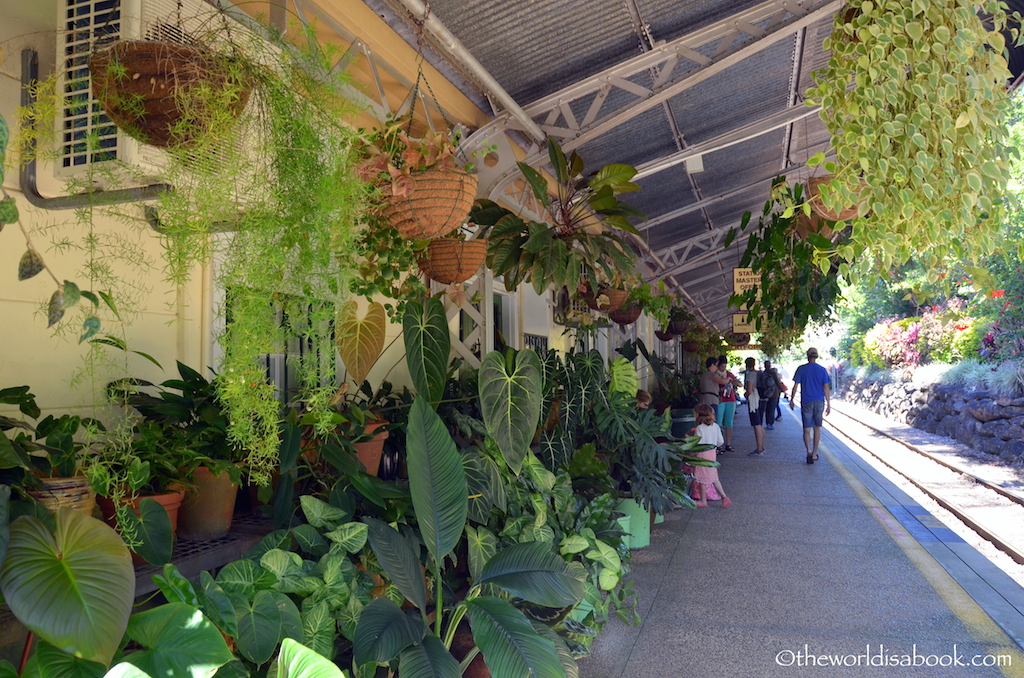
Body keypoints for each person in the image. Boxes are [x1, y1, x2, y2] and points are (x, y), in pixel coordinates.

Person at [790, 347, 832, 464]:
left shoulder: (801, 369)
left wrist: (792, 399)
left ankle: (808, 450)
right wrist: (829, 404)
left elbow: (795, 386)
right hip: (819, 401)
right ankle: (814, 454)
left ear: (807, 356)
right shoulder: (822, 370)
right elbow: (826, 388)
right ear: (816, 357)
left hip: (806, 401)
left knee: (806, 428)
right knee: (817, 428)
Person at [690, 404, 731, 507]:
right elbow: (720, 441)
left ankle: (704, 501)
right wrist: (713, 445)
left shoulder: (699, 428)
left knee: (702, 479)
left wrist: (688, 439)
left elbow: (696, 443)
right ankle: (724, 496)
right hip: (712, 453)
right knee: (714, 477)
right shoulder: (716, 426)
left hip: (702, 454)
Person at [715, 356, 741, 452]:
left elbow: (739, 383)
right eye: (721, 367)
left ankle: (728, 444)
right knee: (718, 422)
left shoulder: (729, 374)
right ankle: (718, 444)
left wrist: (734, 381)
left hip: (730, 399)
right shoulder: (715, 375)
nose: (723, 369)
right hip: (720, 400)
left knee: (729, 423)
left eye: (725, 366)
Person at [743, 357, 766, 455]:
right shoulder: (759, 373)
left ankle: (759, 448)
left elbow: (749, 390)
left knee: (756, 424)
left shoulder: (750, 375)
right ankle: (762, 446)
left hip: (754, 401)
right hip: (763, 399)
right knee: (760, 424)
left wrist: (745, 396)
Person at [762, 359, 785, 430]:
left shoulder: (763, 373)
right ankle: (770, 423)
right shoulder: (773, 373)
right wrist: (782, 389)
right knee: (772, 408)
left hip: (766, 393)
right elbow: (778, 382)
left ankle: (767, 422)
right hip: (774, 393)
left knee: (767, 409)